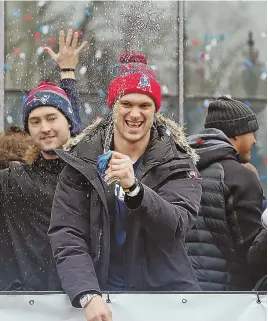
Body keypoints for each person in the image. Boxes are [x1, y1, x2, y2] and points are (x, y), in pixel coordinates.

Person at [48, 52, 202, 321]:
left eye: (144, 105)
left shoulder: (177, 160)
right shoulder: (82, 158)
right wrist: (87, 293)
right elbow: (67, 234)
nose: (135, 113)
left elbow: (175, 226)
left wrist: (135, 190)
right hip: (100, 298)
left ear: (156, 111)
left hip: (165, 300)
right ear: (113, 106)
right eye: (126, 103)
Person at [0, 28, 87, 291]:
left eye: (52, 118)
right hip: (24, 303)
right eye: (35, 121)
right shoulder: (14, 180)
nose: (45, 128)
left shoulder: (87, 174)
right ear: (28, 130)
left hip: (82, 298)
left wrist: (68, 75)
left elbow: (78, 135)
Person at [186, 96, 264, 291]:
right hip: (232, 302)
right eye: (252, 132)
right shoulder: (240, 177)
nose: (254, 140)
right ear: (237, 133)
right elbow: (254, 259)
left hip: (183, 294)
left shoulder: (179, 169)